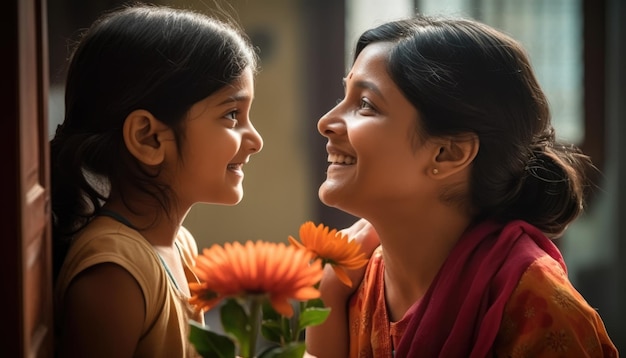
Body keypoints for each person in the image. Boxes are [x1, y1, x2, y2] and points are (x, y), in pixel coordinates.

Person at [306, 14, 618, 358]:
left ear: (447, 153)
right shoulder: (354, 283)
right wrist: (327, 297)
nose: (326, 122)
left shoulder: (539, 309)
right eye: (344, 96)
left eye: (365, 104)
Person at [50, 3, 263, 357]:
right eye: (231, 115)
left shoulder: (179, 244)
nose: (255, 139)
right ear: (148, 138)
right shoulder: (115, 272)